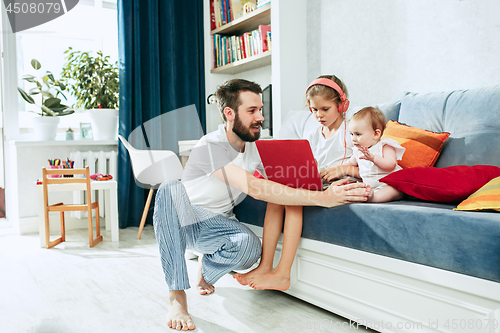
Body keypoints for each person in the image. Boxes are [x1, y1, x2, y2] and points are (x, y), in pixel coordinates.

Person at [152, 78, 370, 331]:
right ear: (230, 113)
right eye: (252, 111)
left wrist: (320, 180)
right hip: (187, 218)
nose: (261, 117)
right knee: (169, 187)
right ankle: (177, 297)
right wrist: (323, 198)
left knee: (250, 249)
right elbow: (256, 188)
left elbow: (279, 181)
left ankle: (206, 269)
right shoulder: (210, 146)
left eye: (261, 109)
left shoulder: (254, 146)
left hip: (219, 224)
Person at [233, 75, 362, 291]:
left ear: (342, 105)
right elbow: (306, 161)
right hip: (316, 182)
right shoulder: (313, 132)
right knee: (276, 197)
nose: (318, 115)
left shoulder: (351, 131)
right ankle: (265, 266)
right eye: (314, 110)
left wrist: (340, 169)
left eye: (325, 109)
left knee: (292, 201)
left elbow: (367, 167)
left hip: (340, 185)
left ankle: (283, 274)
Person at [346, 106, 405, 202]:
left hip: (390, 184)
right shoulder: (358, 150)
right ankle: (369, 195)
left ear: (376, 134)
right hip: (371, 187)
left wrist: (373, 158)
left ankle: (374, 198)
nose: (353, 138)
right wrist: (336, 170)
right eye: (351, 134)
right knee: (354, 188)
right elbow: (348, 164)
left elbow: (391, 165)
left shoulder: (385, 146)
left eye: (358, 134)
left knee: (392, 189)